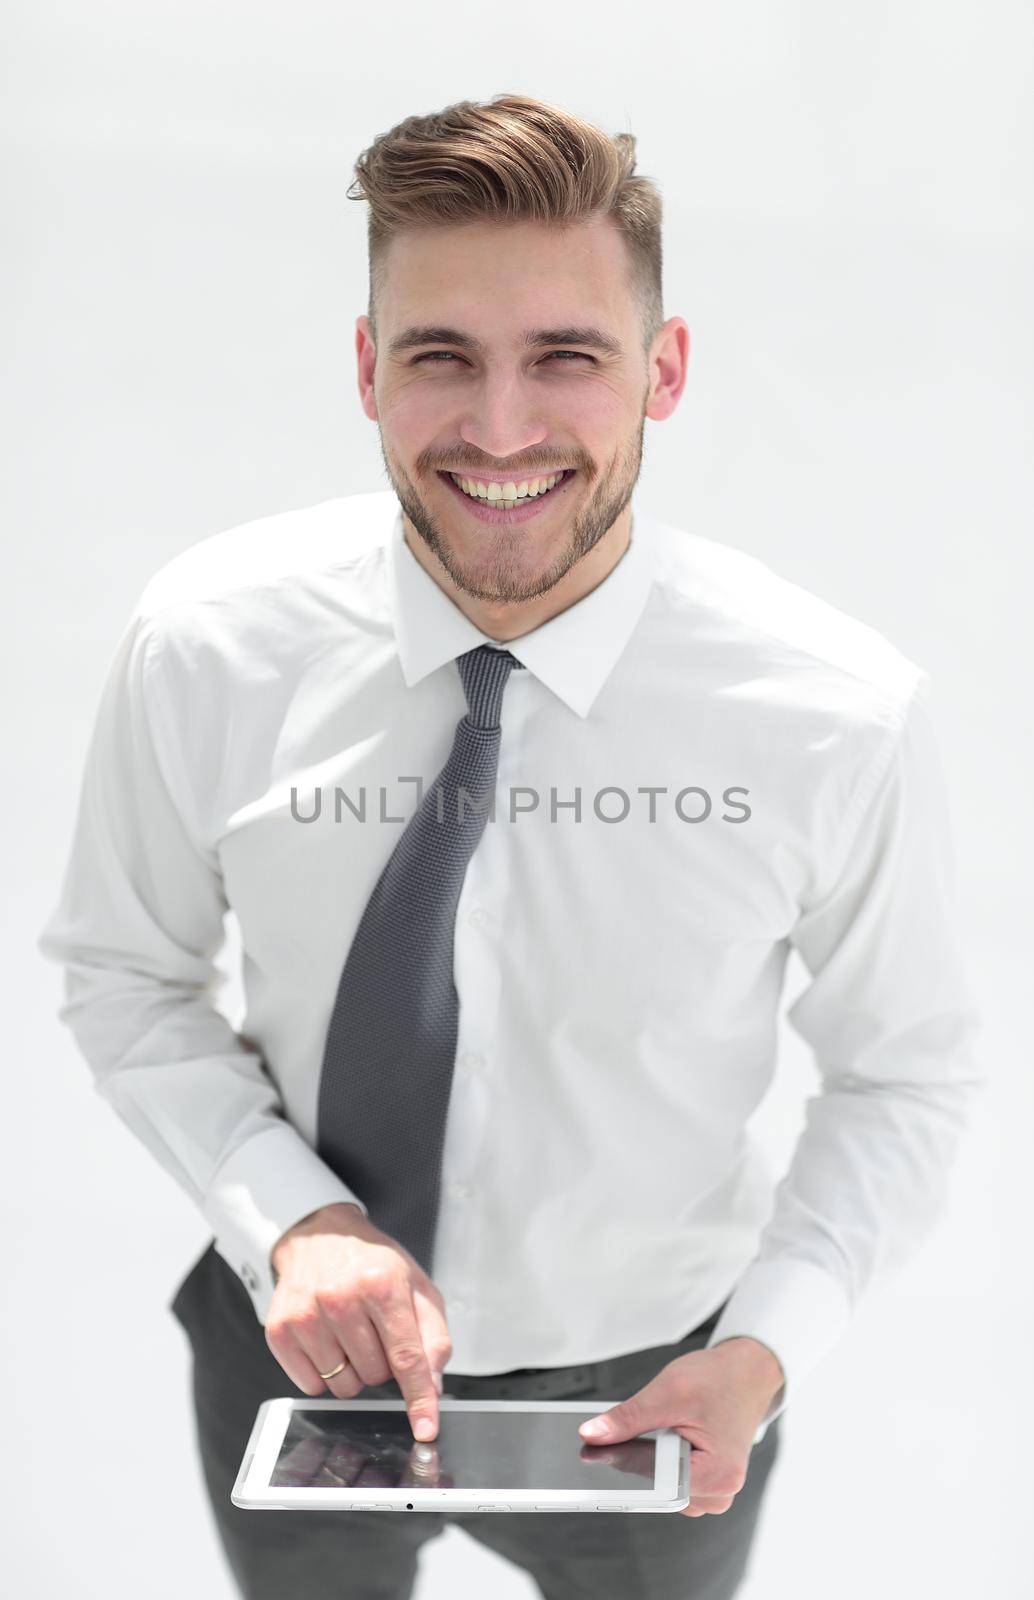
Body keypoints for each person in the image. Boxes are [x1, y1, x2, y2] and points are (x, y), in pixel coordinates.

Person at [37, 92, 984, 1600]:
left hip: (663, 1383)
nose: (497, 428)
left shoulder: (832, 713)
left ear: (660, 370)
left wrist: (766, 1346)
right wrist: (293, 1221)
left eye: (565, 356)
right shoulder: (208, 646)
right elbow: (121, 970)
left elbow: (905, 1070)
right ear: (364, 369)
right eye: (438, 358)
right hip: (296, 1342)